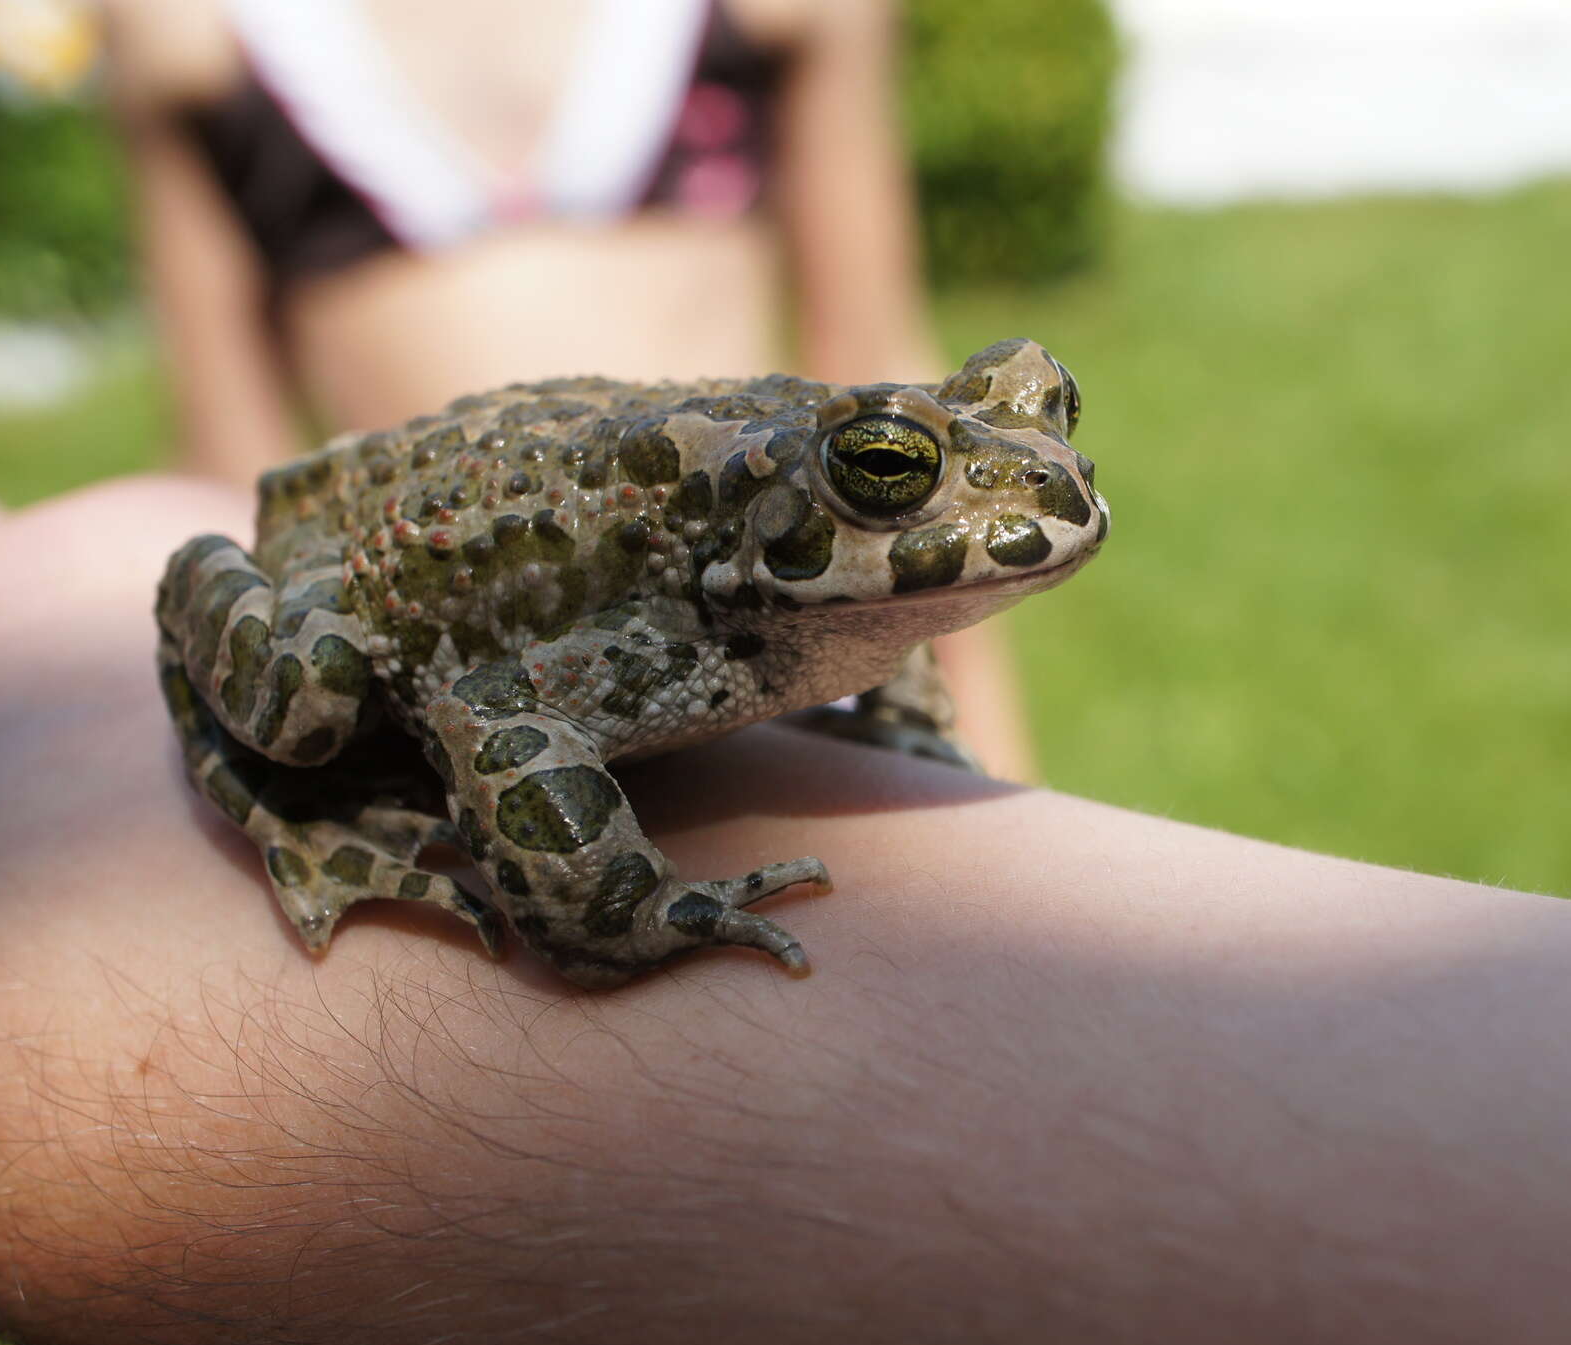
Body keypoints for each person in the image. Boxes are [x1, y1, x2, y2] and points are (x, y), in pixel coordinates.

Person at [0, 467, 1571, 1345]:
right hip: (364, 550)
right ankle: (266, 798)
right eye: (897, 476)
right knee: (306, 700)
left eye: (1017, 430)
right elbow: (484, 694)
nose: (1023, 498)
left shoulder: (791, 610)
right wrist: (621, 916)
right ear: (791, 514)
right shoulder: (653, 627)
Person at [98, 0, 1034, 778]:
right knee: (298, 698)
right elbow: (228, 443)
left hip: (745, 544)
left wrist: (991, 778)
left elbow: (889, 377)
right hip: (424, 578)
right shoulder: (185, 30)